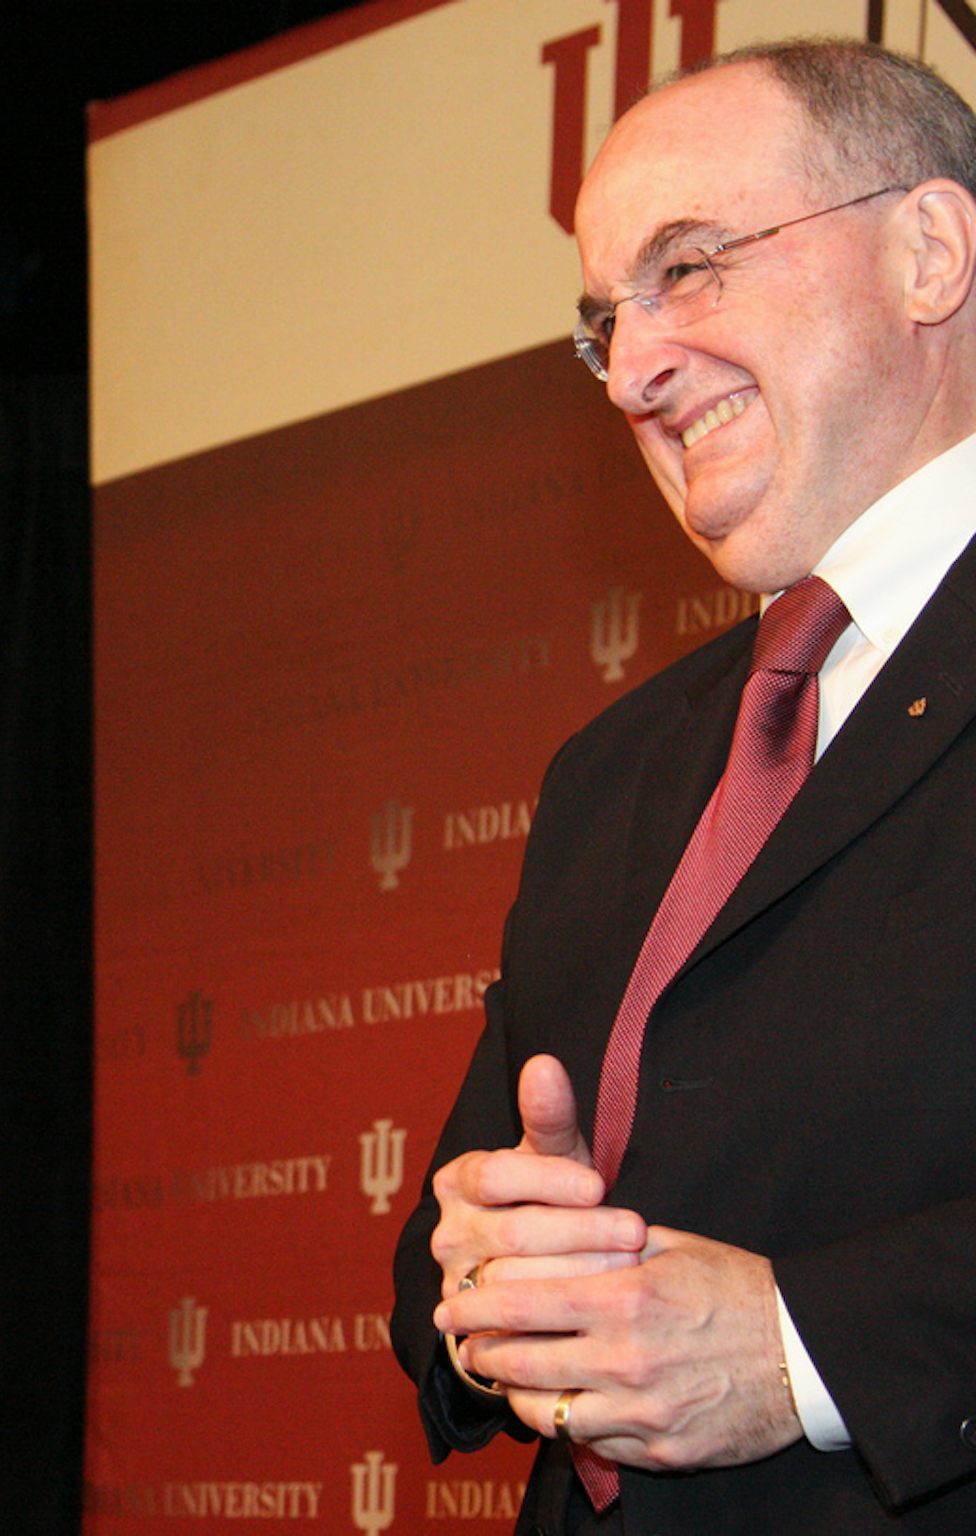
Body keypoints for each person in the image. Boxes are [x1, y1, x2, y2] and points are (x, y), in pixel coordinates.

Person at [391, 38, 976, 1535]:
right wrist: (482, 1280)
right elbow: (446, 1257)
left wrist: (802, 1352)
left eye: (692, 268)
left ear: (929, 252)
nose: (637, 370)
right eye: (608, 322)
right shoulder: (615, 770)